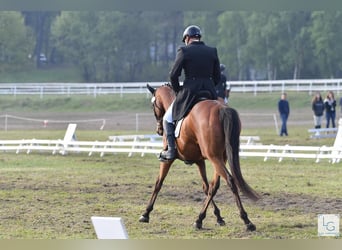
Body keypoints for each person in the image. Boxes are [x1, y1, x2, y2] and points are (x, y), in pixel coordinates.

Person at [160, 25, 221, 161]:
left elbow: (173, 75)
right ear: (199, 37)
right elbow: (217, 77)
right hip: (209, 92)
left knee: (167, 118)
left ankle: (171, 150)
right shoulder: (212, 51)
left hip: (190, 93)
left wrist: (178, 91)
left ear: (187, 38)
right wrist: (209, 86)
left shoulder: (184, 50)